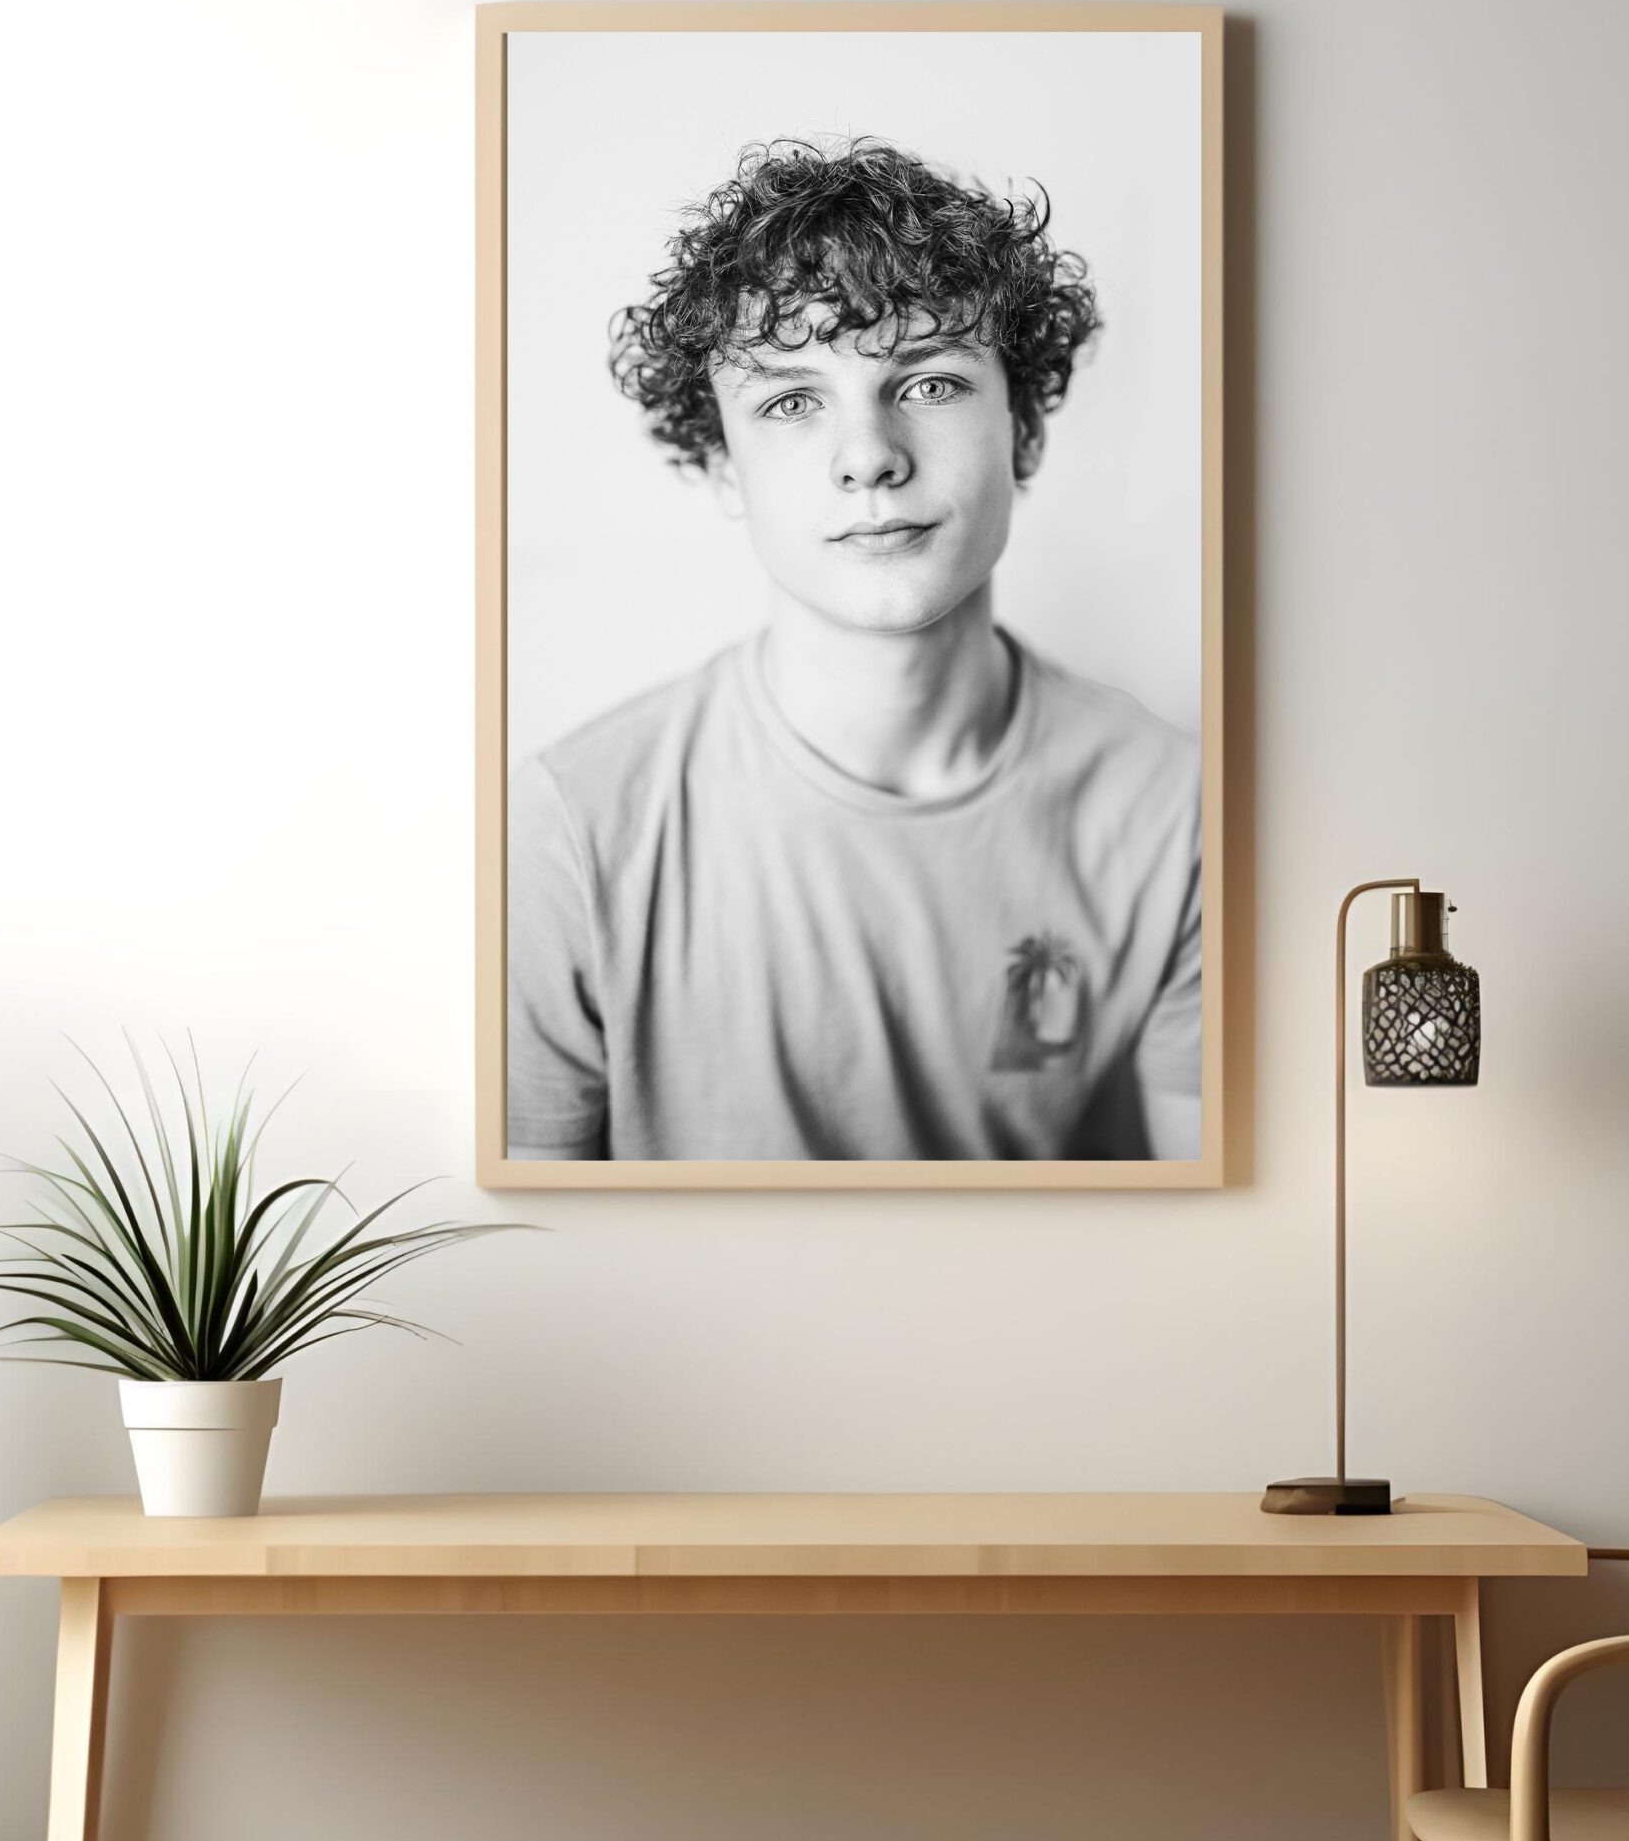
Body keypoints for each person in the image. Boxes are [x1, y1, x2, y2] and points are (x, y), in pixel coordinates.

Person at [506, 135, 1202, 1163]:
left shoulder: (1177, 811)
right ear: (722, 471)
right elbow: (531, 1281)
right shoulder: (574, 828)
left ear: (1025, 432)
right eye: (791, 402)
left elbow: (1224, 1249)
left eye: (926, 383)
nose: (870, 457)